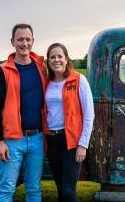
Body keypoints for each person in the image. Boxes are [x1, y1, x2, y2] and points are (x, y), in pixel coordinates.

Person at [0, 23, 47, 202]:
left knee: (34, 188)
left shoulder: (40, 66)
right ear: (12, 42)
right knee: (7, 188)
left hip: (37, 138)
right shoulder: (3, 71)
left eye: (28, 39)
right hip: (13, 141)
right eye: (20, 39)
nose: (25, 43)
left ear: (33, 41)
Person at [43, 43, 94, 202]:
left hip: (71, 142)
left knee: (68, 191)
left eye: (60, 56)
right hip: (52, 141)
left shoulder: (79, 80)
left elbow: (88, 114)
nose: (56, 60)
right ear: (48, 61)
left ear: (66, 59)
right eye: (52, 57)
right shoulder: (46, 82)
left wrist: (83, 145)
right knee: (60, 189)